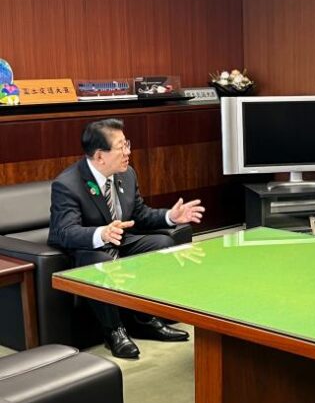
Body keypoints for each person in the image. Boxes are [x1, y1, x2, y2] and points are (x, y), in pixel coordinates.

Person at [48, 118, 205, 359]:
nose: (128, 152)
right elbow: (62, 231)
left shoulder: (127, 174)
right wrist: (101, 233)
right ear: (99, 156)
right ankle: (114, 331)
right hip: (88, 250)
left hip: (121, 240)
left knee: (163, 244)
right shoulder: (67, 184)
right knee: (101, 262)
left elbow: (140, 214)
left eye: (127, 144)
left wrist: (170, 217)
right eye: (121, 147)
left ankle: (144, 319)